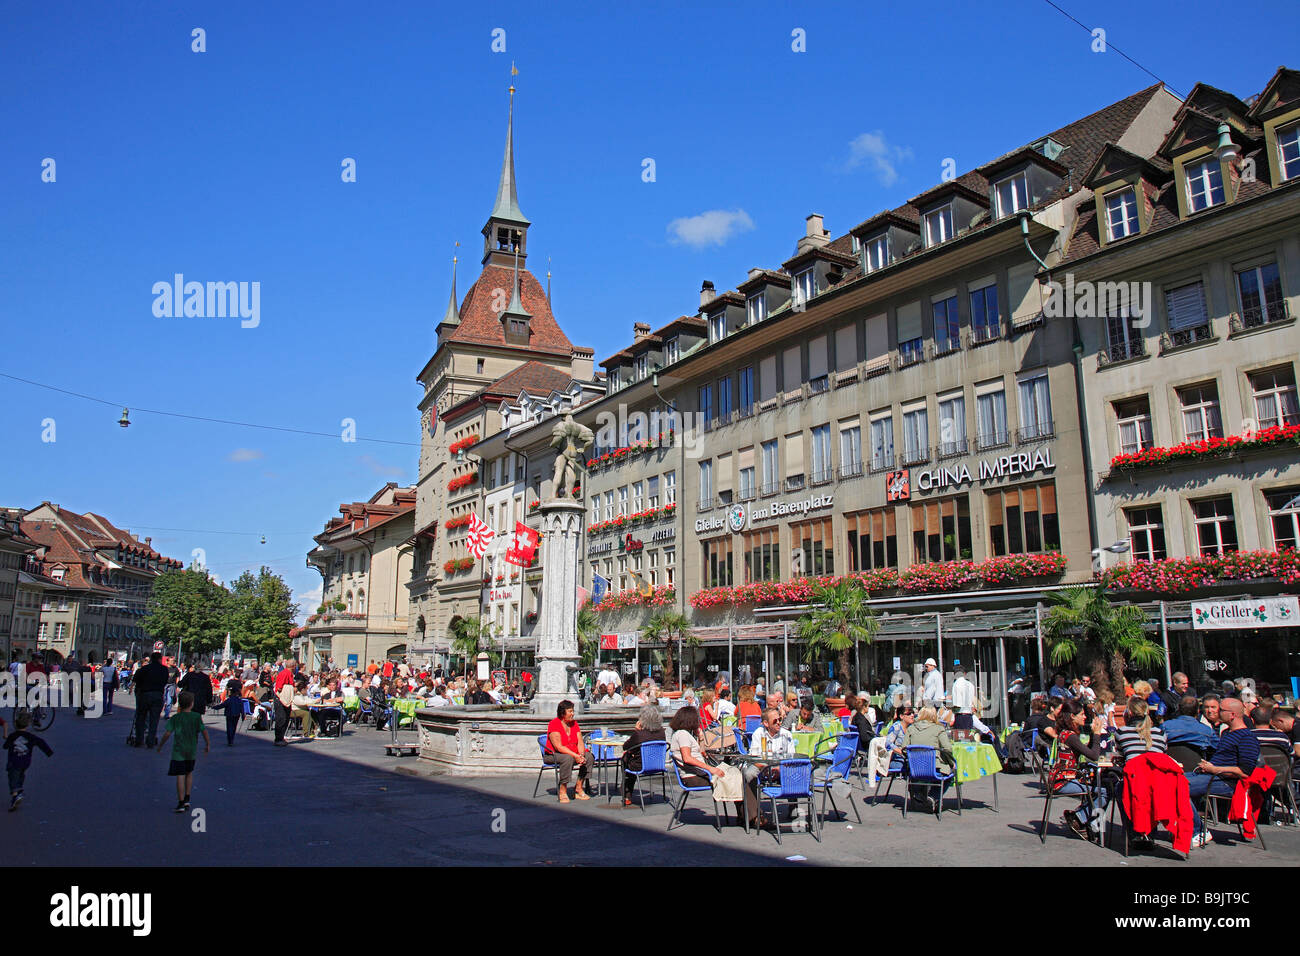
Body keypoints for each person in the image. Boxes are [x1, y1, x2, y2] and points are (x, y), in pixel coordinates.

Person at [1186, 698, 1259, 849]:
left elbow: (1245, 772)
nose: (1216, 712)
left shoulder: (1247, 737)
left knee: (1179, 786)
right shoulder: (1226, 733)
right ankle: (1186, 827)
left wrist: (1216, 769)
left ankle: (1198, 831)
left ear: (1232, 715)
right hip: (1211, 776)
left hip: (1226, 783)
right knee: (1171, 780)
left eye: (1221, 710)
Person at [1047, 699, 1107, 840]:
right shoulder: (1071, 736)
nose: (1085, 717)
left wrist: (1093, 734)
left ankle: (1087, 823)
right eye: (1082, 714)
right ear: (1072, 716)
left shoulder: (1066, 733)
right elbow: (1094, 756)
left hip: (1062, 777)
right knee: (1104, 791)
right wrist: (1098, 734)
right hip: (1063, 781)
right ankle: (1080, 818)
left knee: (1098, 789)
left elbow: (1087, 751)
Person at [157, 690, 210, 813]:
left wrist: (160, 745)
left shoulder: (176, 718)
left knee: (180, 775)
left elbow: (168, 733)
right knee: (189, 772)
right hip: (191, 749)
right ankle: (187, 797)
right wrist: (207, 744)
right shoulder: (196, 717)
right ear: (192, 703)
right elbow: (204, 731)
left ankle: (180, 802)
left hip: (178, 750)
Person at [904, 706, 955, 812]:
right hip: (934, 768)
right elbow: (947, 749)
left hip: (915, 769)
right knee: (950, 774)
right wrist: (951, 762)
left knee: (918, 776)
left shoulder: (911, 728)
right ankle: (933, 796)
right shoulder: (939, 729)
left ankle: (918, 794)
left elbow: (904, 749)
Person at [544, 700, 592, 804]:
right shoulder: (554, 724)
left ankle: (579, 787)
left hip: (572, 753)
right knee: (567, 758)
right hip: (553, 755)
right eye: (570, 711)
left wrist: (581, 755)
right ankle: (562, 789)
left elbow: (580, 741)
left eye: (573, 711)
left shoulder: (574, 724)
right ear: (562, 713)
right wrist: (575, 755)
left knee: (589, 757)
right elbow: (558, 747)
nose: (572, 713)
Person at [4, 711, 52, 812]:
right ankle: (19, 789)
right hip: (26, 761)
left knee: (13, 777)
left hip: (14, 761)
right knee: (21, 773)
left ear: (16, 723)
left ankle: (16, 795)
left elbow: (5, 746)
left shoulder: (13, 736)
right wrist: (48, 752)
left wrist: (6, 740)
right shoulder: (31, 737)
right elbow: (41, 742)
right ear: (28, 724)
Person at [621, 704, 666, 807]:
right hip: (658, 765)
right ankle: (627, 793)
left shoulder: (639, 734)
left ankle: (627, 793)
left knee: (625, 759)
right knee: (631, 757)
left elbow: (626, 746)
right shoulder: (661, 733)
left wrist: (637, 731)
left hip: (640, 766)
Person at [131, 651, 170, 748]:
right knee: (154, 719)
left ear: (151, 659)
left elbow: (136, 679)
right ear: (160, 659)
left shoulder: (144, 669)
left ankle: (139, 739)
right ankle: (150, 740)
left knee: (141, 717)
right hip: (157, 694)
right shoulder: (164, 670)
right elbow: (165, 681)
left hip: (145, 694)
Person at [273, 661, 296, 746]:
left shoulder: (289, 674)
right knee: (281, 719)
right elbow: (279, 687)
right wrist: (289, 690)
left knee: (286, 718)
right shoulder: (284, 673)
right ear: (293, 666)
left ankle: (281, 737)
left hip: (285, 699)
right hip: (281, 699)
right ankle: (278, 738)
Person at [221, 677, 244, 746]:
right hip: (236, 712)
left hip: (229, 712)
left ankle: (229, 740)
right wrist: (243, 714)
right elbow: (241, 708)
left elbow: (223, 703)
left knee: (229, 726)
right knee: (234, 726)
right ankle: (232, 739)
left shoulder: (230, 682)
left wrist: (215, 706)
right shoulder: (239, 683)